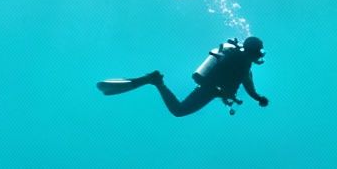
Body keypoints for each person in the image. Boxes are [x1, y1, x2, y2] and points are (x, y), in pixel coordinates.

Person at [99, 35, 269, 116]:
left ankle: (154, 81)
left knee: (180, 110)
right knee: (179, 111)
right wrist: (218, 92)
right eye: (259, 53)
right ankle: (156, 81)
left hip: (213, 89)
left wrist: (258, 98)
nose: (260, 57)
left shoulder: (244, 64)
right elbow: (199, 78)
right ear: (254, 53)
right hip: (208, 89)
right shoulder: (237, 61)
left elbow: (248, 86)